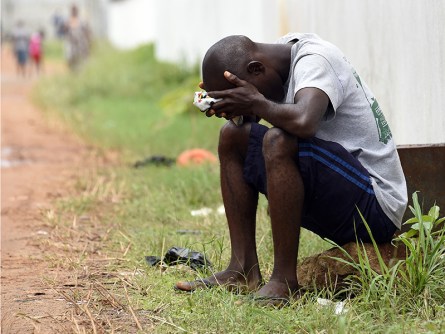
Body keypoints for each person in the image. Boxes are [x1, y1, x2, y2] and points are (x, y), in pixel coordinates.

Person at [175, 33, 408, 305]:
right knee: (232, 136)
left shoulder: (316, 61)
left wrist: (254, 102)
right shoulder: (272, 63)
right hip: (337, 194)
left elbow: (304, 122)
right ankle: (242, 271)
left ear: (256, 69)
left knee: (278, 141)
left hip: (375, 207)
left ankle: (284, 283)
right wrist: (234, 110)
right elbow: (261, 116)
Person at [63, 5, 91, 71]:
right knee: (70, 58)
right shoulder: (68, 21)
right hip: (71, 43)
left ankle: (79, 71)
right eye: (73, 10)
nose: (74, 12)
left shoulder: (81, 21)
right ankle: (72, 70)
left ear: (77, 11)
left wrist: (88, 42)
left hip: (80, 43)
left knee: (81, 58)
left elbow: (87, 32)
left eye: (75, 10)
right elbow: (65, 31)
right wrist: (66, 26)